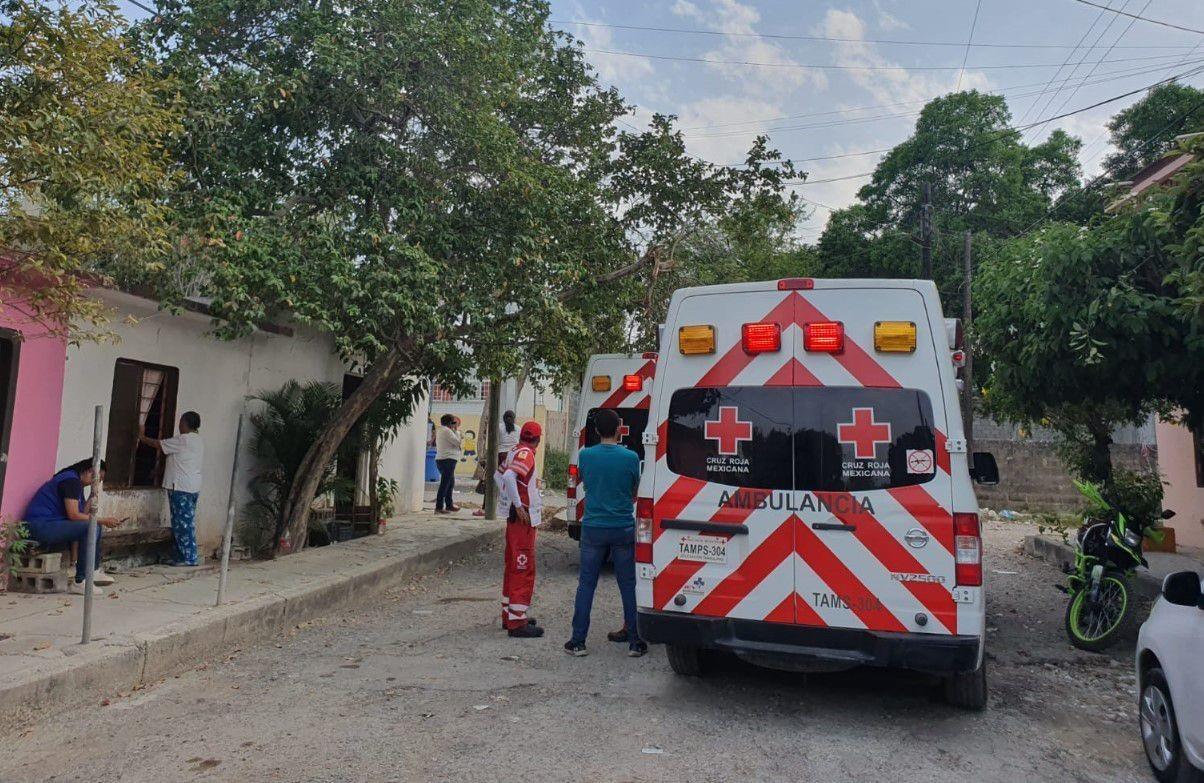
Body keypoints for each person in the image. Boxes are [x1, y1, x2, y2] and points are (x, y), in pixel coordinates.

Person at [564, 408, 647, 658]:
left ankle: (578, 641)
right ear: (619, 430)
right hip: (622, 526)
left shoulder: (585, 456)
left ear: (597, 431)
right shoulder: (631, 457)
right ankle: (635, 641)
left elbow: (585, 482)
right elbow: (635, 488)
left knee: (586, 584)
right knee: (628, 584)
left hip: (593, 528)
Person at [23, 459, 123, 595]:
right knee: (93, 527)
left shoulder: (77, 484)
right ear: (89, 471)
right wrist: (103, 520)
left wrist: (92, 497)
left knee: (93, 527)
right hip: (39, 526)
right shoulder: (71, 482)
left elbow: (82, 517)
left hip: (51, 524)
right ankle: (81, 581)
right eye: (99, 478)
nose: (99, 482)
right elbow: (74, 516)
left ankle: (92, 571)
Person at [497, 421, 544, 639]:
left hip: (514, 518)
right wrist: (517, 503)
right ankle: (517, 623)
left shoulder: (513, 450)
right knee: (522, 568)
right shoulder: (527, 454)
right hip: (522, 520)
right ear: (538, 439)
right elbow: (507, 477)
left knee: (512, 566)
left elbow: (499, 476)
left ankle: (511, 615)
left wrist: (508, 499)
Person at [140, 411, 205, 566]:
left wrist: (142, 437)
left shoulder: (184, 440)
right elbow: (177, 460)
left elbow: (160, 445)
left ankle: (189, 558)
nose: (179, 424)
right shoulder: (197, 440)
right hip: (191, 486)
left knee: (183, 524)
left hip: (181, 487)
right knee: (183, 522)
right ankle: (180, 556)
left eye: (181, 421)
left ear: (185, 423)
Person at [433, 414, 462, 514]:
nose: (455, 424)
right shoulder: (447, 431)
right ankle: (439, 507)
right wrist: (457, 430)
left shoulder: (443, 430)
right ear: (450, 423)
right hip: (447, 459)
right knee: (445, 484)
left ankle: (449, 505)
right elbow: (458, 442)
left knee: (450, 483)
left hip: (445, 459)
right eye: (454, 422)